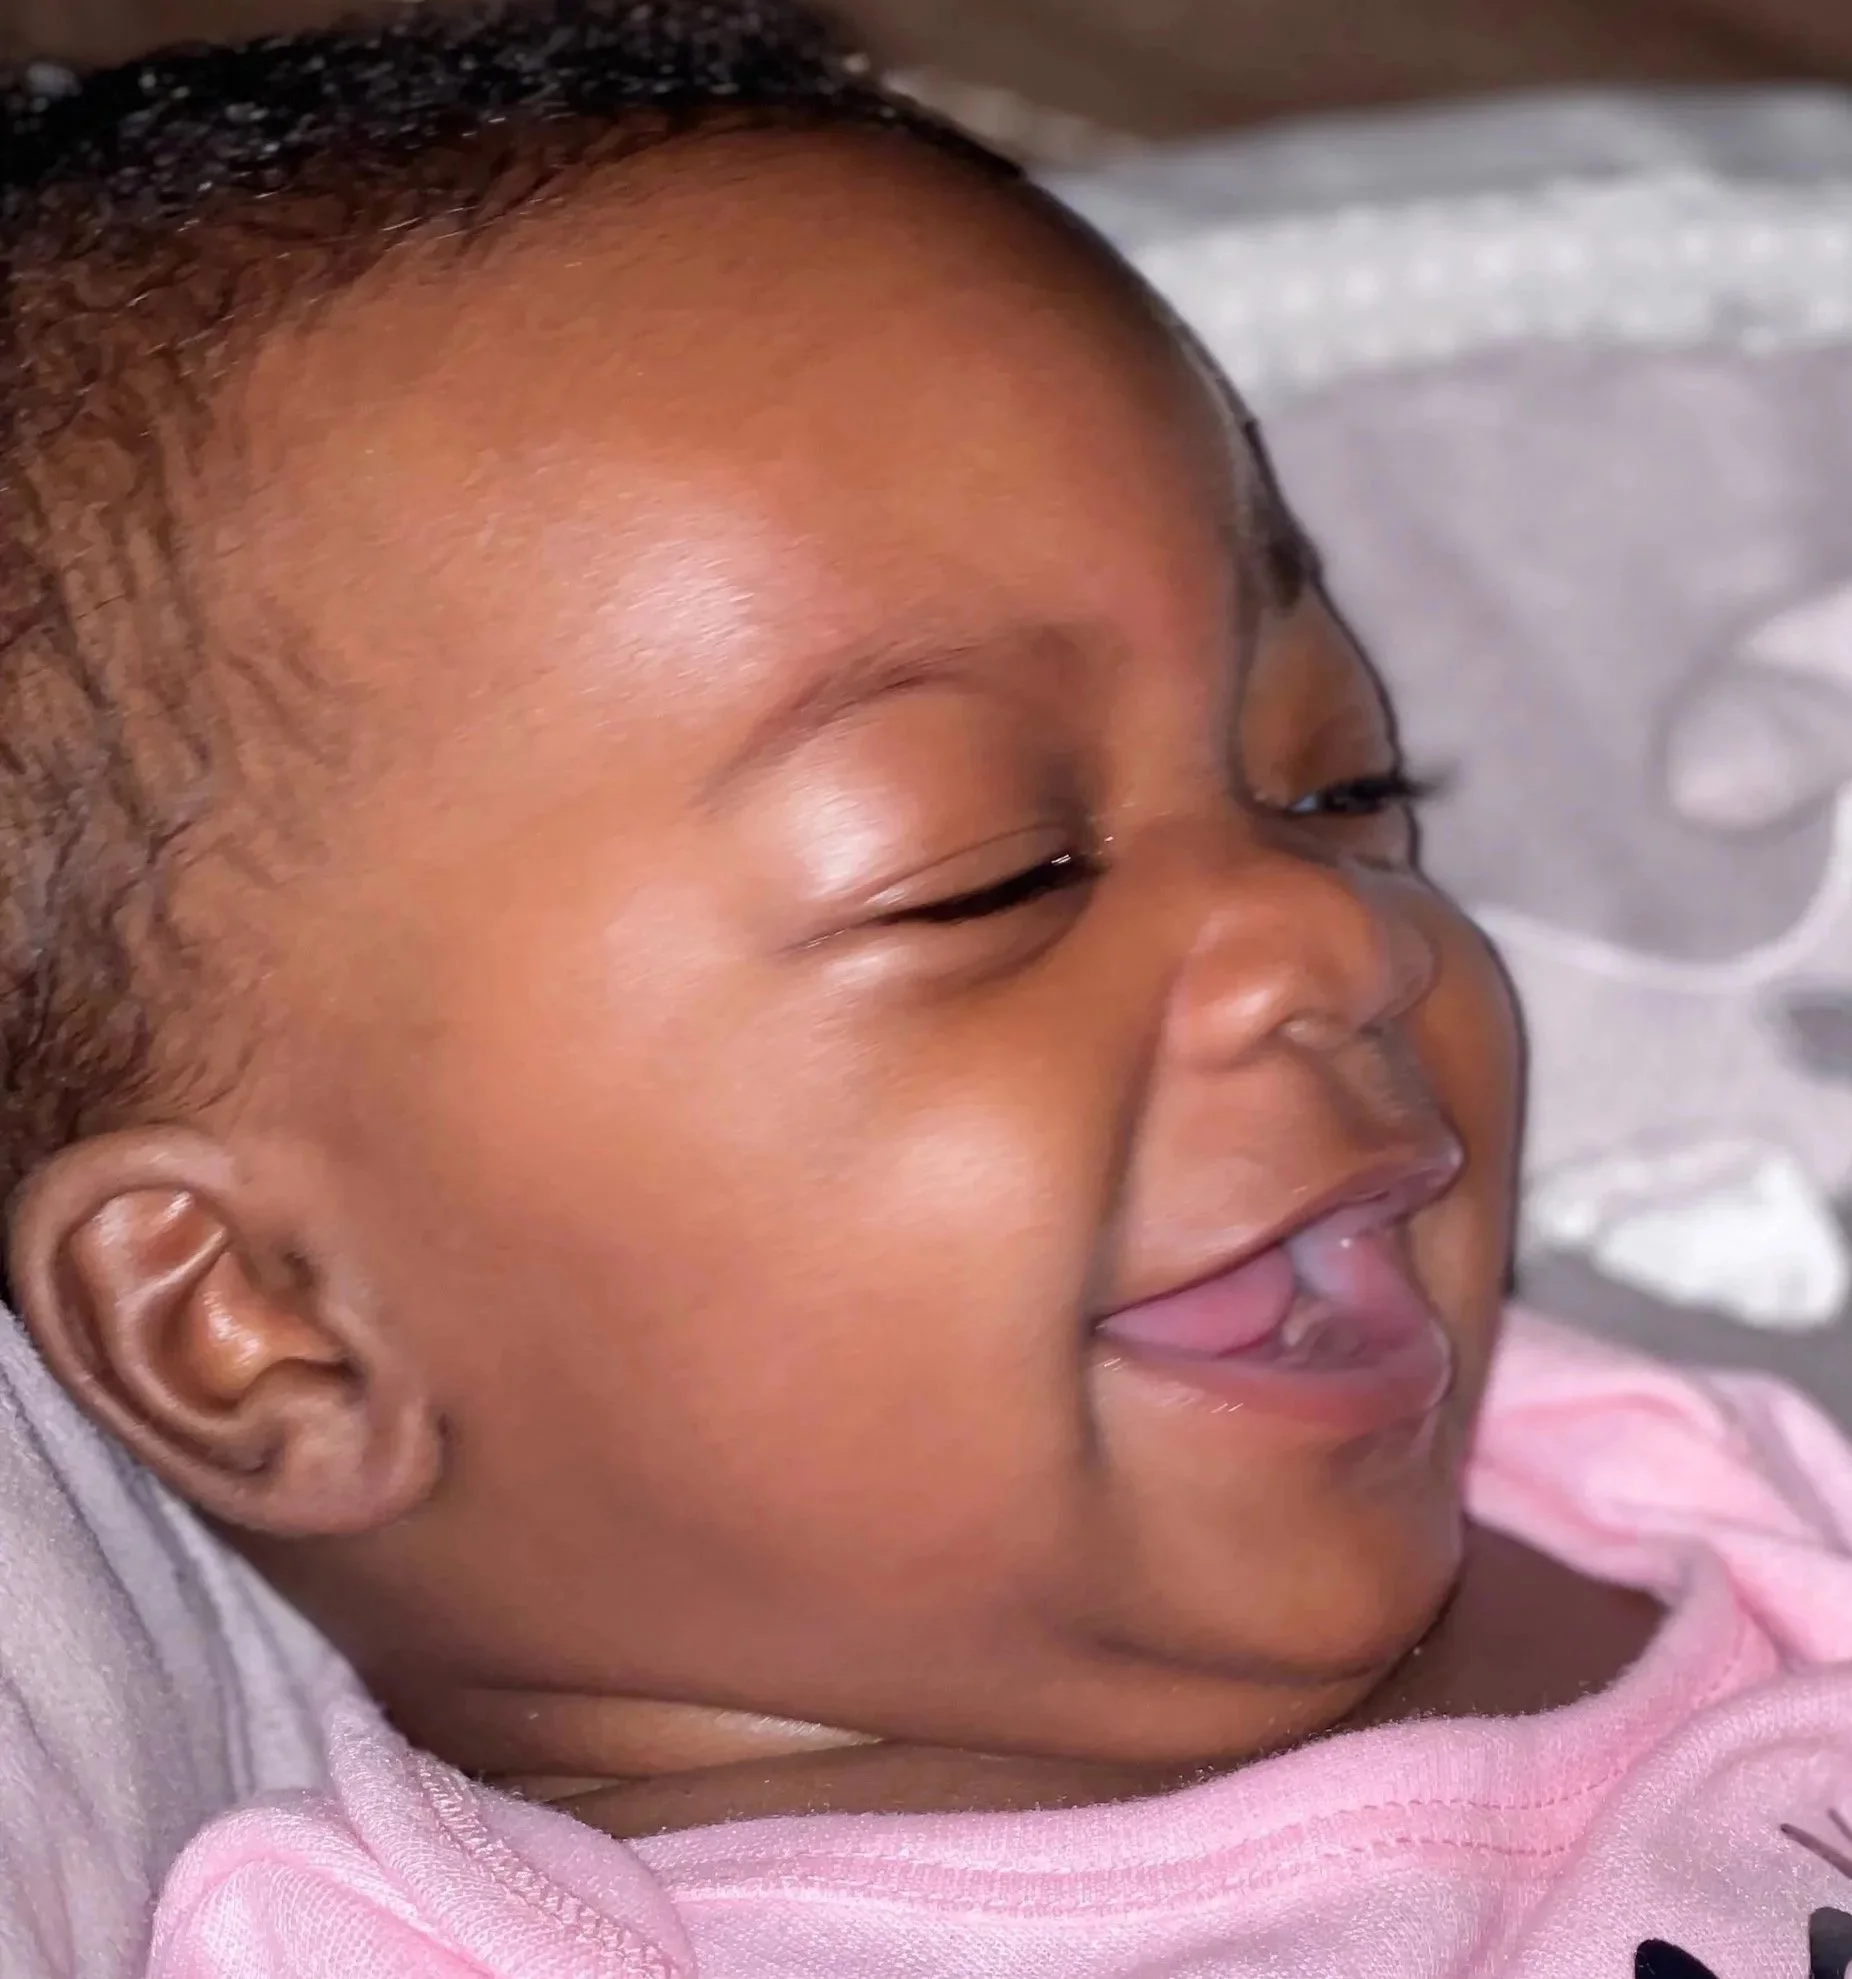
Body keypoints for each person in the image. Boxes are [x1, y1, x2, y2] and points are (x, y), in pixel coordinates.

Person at [2, 5, 1851, 1973]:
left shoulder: (1674, 1476)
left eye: (1336, 788)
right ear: (268, 1325)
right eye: (989, 875)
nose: (1343, 936)